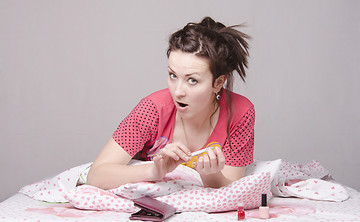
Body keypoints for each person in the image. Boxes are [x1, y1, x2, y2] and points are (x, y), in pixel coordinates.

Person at [87, 16, 255, 190]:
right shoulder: (151, 110)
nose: (178, 91)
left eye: (192, 80)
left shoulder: (240, 113)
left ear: (218, 83)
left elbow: (232, 188)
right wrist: (154, 171)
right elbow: (96, 175)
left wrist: (209, 173)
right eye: (173, 75)